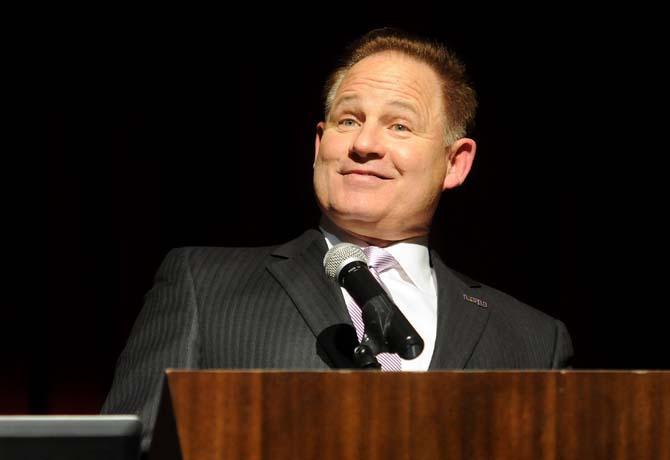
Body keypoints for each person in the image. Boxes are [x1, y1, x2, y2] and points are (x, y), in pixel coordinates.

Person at [102, 28, 573, 451]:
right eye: (348, 120)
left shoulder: (532, 339)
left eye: (399, 125)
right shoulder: (202, 286)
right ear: (318, 145)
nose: (364, 143)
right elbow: (129, 450)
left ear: (456, 162)